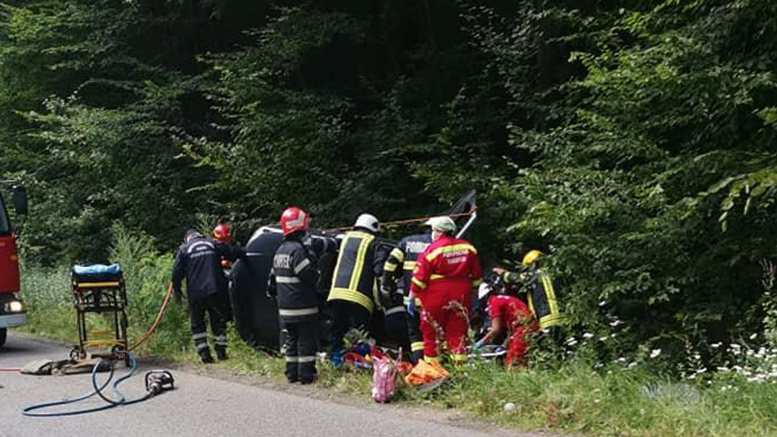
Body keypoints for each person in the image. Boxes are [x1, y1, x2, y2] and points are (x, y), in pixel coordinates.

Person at [408, 216, 482, 365]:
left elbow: (419, 278)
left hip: (435, 297)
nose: (432, 233)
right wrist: (471, 294)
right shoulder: (468, 248)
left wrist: (411, 297)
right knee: (457, 334)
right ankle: (460, 373)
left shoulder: (432, 250)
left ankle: (434, 372)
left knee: (431, 335)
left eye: (433, 230)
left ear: (440, 231)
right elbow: (477, 277)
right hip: (461, 296)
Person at [172, 229, 245, 363]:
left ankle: (204, 353)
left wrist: (176, 289)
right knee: (218, 321)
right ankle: (221, 352)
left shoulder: (184, 249)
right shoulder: (212, 243)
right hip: (215, 290)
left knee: (197, 323)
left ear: (187, 239)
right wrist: (246, 253)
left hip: (195, 293)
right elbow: (232, 252)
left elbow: (176, 272)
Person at [267, 207, 321, 384]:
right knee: (306, 342)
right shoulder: (297, 251)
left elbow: (271, 282)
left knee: (291, 342)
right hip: (302, 308)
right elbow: (307, 275)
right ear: (299, 228)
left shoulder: (279, 251)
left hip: (285, 310)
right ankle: (306, 376)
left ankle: (291, 374)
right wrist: (317, 269)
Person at [327, 213, 383, 364]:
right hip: (359, 298)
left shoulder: (343, 239)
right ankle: (357, 363)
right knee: (360, 334)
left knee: (336, 330)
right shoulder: (374, 242)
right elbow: (379, 271)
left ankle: (336, 361)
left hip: (336, 294)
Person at [381, 219, 433, 363]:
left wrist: (386, 284)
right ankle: (434, 368)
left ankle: (419, 366)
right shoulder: (437, 245)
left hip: (410, 299)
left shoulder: (407, 242)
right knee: (431, 336)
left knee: (415, 336)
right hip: (430, 301)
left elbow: (390, 263)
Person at [494, 250, 565, 332]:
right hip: (565, 317)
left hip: (547, 319)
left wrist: (503, 273)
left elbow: (518, 278)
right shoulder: (556, 274)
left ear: (532, 264)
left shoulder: (536, 275)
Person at [474, 284, 537, 368]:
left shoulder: (494, 303)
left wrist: (481, 343)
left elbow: (496, 329)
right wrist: (505, 345)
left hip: (524, 327)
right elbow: (511, 329)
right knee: (514, 356)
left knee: (514, 360)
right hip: (526, 326)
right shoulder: (502, 300)